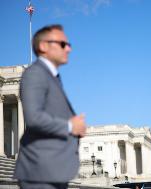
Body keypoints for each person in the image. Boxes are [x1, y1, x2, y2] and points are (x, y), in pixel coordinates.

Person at [14, 24, 87, 189]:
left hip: (52, 171)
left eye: (69, 45)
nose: (68, 49)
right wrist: (70, 126)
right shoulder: (35, 74)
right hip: (40, 172)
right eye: (62, 44)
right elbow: (34, 118)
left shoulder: (51, 77)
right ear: (43, 46)